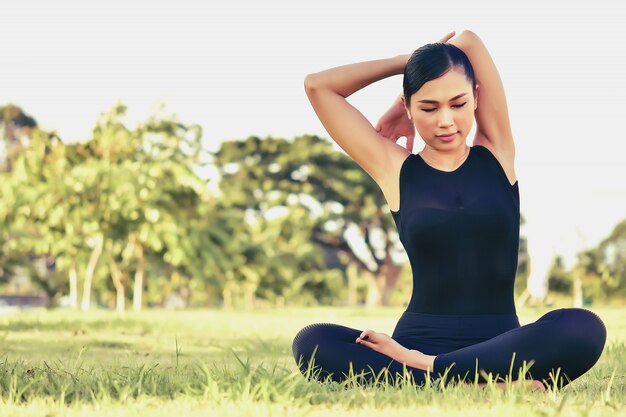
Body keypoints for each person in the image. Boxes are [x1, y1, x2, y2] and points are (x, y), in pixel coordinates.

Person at [292, 30, 607, 391]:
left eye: (457, 104)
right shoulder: (394, 168)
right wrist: (404, 64)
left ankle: (433, 372)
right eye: (428, 107)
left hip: (498, 347)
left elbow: (469, 40)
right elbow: (318, 86)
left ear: (475, 99)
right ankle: (483, 385)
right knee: (311, 342)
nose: (445, 121)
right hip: (415, 339)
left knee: (584, 328)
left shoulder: (497, 151)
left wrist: (420, 360)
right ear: (408, 107)